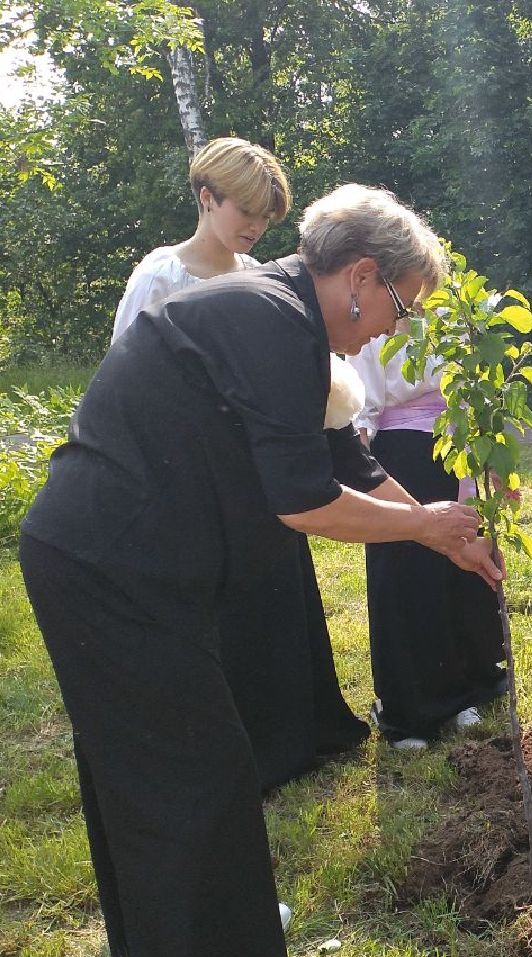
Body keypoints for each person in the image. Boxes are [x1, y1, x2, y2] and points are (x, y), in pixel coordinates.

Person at [19, 184, 498, 957]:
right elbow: (306, 502)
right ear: (361, 275)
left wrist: (445, 543)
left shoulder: (277, 315)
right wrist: (428, 526)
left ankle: (171, 930)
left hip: (114, 555)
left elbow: (341, 457)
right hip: (117, 561)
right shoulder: (268, 319)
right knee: (190, 762)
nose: (395, 329)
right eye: (401, 304)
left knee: (140, 759)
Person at [111, 137, 369, 792]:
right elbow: (128, 375)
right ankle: (250, 744)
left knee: (280, 598)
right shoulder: (160, 276)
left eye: (264, 216)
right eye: (244, 210)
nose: (253, 226)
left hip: (266, 462)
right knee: (228, 615)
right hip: (195, 471)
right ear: (206, 198)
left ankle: (302, 728)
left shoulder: (261, 272)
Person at [347, 333, 508, 750]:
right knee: (407, 576)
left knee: (460, 573)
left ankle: (463, 690)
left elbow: (477, 387)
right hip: (401, 459)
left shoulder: (450, 311)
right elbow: (361, 405)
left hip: (458, 448)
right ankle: (409, 707)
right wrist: (365, 472)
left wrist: (489, 458)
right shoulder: (372, 318)